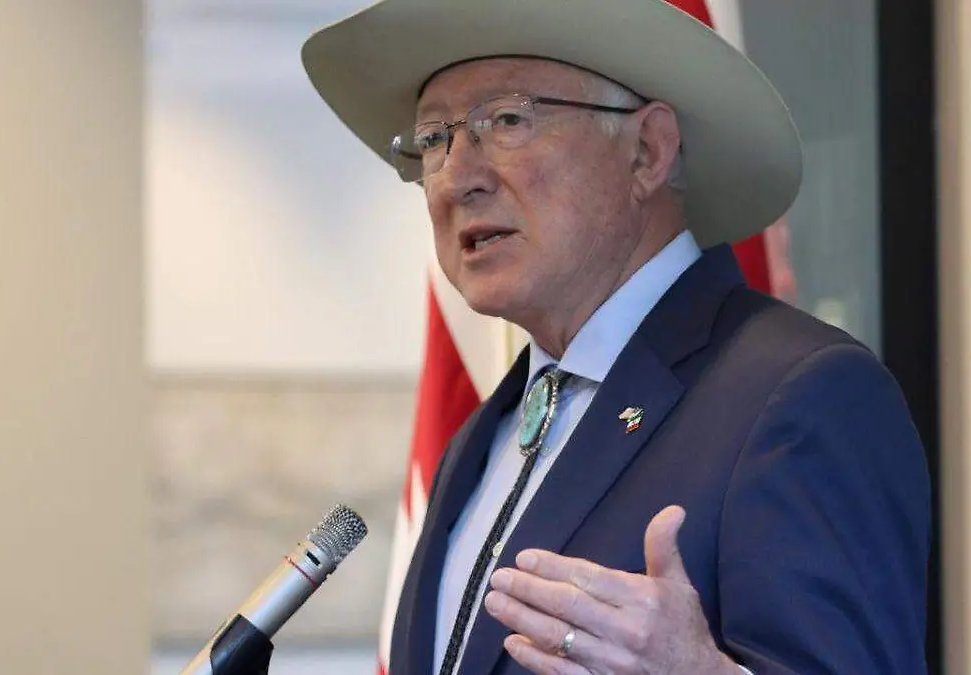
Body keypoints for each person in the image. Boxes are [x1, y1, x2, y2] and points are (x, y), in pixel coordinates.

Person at [302, 0, 931, 673]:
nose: (455, 179)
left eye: (508, 120)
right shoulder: (482, 437)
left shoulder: (802, 396)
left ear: (648, 151)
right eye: (433, 140)